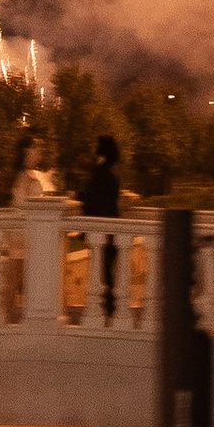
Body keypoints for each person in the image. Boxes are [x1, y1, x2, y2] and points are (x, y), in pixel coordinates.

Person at [80, 131, 124, 314]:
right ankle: (108, 310)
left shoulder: (99, 173)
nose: (91, 148)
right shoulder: (110, 175)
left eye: (94, 144)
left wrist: (78, 197)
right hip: (111, 231)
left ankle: (106, 311)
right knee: (107, 273)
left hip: (103, 231)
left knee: (103, 273)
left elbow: (91, 197)